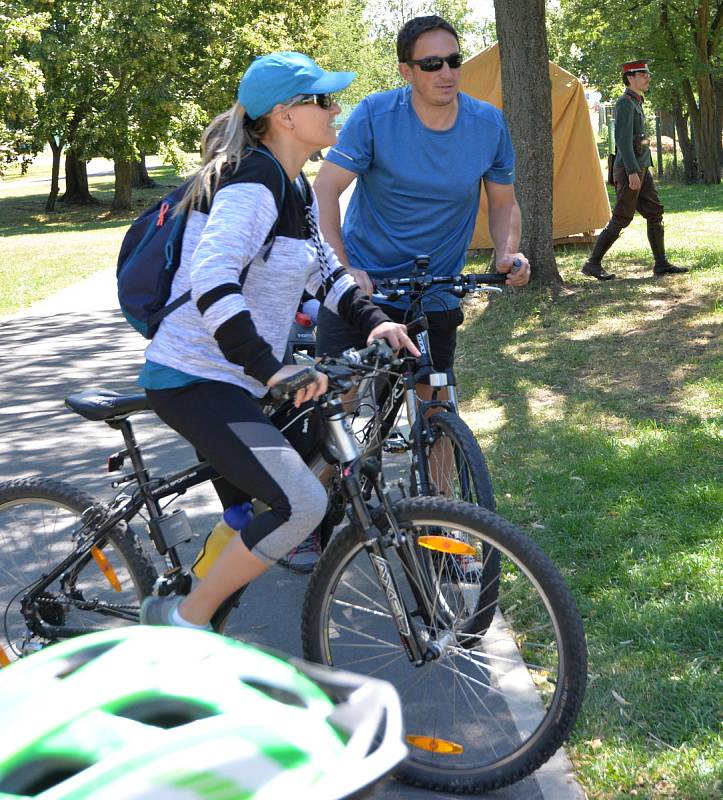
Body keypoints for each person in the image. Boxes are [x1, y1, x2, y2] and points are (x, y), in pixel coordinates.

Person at [139, 52, 418, 629]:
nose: (336, 107)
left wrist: (374, 321)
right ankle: (185, 621)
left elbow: (325, 273)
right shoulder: (254, 180)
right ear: (286, 116)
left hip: (237, 377)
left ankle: (198, 604)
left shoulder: (293, 185)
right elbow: (212, 280)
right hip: (197, 378)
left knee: (257, 504)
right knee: (303, 502)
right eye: (323, 100)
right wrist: (271, 369)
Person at [313, 14, 529, 377]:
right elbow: (325, 189)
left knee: (436, 406)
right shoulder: (375, 115)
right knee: (338, 399)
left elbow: (503, 202)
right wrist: (343, 267)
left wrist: (506, 252)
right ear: (407, 71)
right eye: (431, 64)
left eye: (454, 61)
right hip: (365, 286)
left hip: (436, 288)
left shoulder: (488, 125)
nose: (446, 73)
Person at [581, 59, 688, 281]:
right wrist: (631, 171)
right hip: (630, 168)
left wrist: (640, 169)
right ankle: (592, 264)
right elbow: (622, 139)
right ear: (630, 77)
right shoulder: (625, 103)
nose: (648, 77)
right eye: (643, 74)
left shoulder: (636, 101)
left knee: (654, 211)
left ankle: (661, 263)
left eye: (647, 74)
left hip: (641, 167)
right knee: (621, 217)